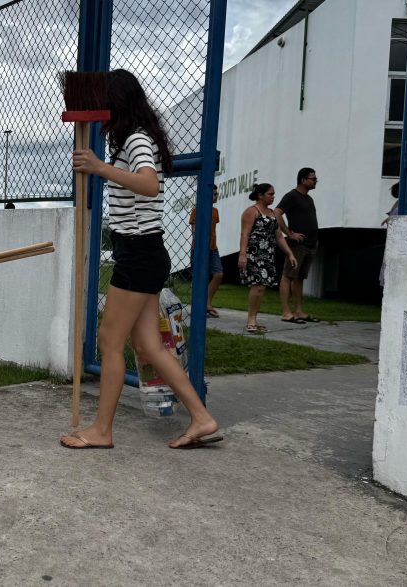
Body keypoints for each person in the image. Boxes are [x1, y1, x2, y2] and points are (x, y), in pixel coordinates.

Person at [59, 69, 220, 450]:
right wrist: (102, 165)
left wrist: (99, 168)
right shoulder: (128, 141)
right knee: (148, 348)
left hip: (140, 254)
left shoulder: (136, 140)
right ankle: (202, 418)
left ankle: (101, 430)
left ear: (116, 103)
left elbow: (148, 183)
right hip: (140, 252)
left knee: (109, 341)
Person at [239, 183, 296, 333]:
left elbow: (279, 236)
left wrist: (289, 253)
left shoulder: (272, 213)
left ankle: (254, 319)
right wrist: (243, 254)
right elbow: (244, 234)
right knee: (257, 286)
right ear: (260, 195)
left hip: (268, 255)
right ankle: (251, 320)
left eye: (273, 194)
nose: (273, 197)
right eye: (270, 194)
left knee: (262, 288)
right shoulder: (251, 211)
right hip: (254, 254)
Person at [274, 167, 319, 324]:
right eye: (312, 178)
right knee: (288, 276)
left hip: (311, 244)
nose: (315, 181)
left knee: (299, 278)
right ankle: (286, 312)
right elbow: (277, 212)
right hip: (297, 245)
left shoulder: (309, 199)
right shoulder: (291, 196)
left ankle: (299, 311)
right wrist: (289, 233)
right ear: (303, 180)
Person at [188, 185, 223, 317]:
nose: (216, 195)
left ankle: (207, 303)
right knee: (199, 278)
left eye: (216, 193)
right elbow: (195, 232)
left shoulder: (215, 211)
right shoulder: (196, 210)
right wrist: (199, 249)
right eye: (214, 194)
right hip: (199, 249)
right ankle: (199, 307)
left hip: (213, 248)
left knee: (218, 274)